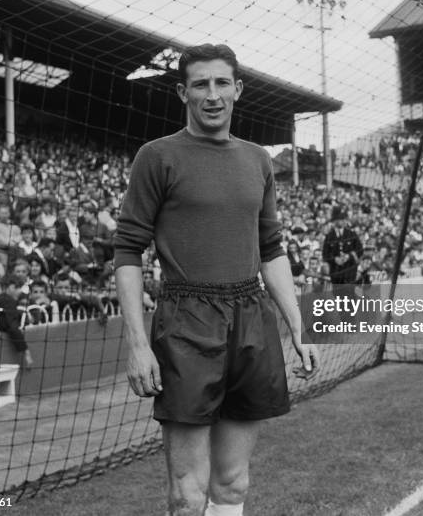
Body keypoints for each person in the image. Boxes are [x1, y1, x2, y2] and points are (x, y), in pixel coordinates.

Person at [114, 43, 319, 516]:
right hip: (187, 323)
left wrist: (296, 327)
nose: (212, 94)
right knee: (187, 494)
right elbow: (127, 251)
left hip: (250, 319)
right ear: (183, 92)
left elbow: (271, 250)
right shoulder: (157, 156)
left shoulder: (258, 160)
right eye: (201, 84)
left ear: (238, 89)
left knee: (233, 484)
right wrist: (138, 343)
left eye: (221, 83)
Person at [322, 210, 364, 290]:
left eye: (343, 219)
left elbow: (360, 250)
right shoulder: (329, 236)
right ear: (335, 221)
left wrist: (349, 256)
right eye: (340, 219)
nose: (342, 221)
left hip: (349, 271)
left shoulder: (351, 234)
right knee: (338, 295)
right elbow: (325, 254)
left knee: (349, 296)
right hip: (336, 271)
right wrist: (334, 259)